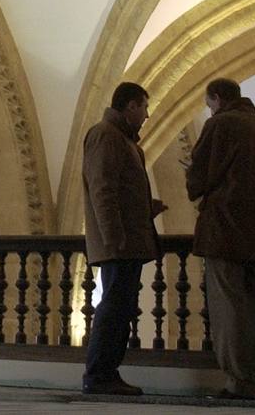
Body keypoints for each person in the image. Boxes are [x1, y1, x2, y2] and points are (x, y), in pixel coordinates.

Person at [187, 77, 255, 401]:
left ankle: (238, 381)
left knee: (228, 307)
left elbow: (197, 177)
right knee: (254, 305)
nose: (210, 110)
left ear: (216, 98)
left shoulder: (222, 125)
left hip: (224, 229)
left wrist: (197, 182)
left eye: (209, 104)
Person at [81, 81, 167, 396]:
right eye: (144, 107)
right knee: (114, 308)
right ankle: (98, 374)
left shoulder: (124, 141)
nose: (146, 115)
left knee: (122, 308)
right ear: (130, 106)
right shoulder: (106, 136)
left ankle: (107, 372)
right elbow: (102, 188)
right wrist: (113, 236)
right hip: (119, 243)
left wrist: (146, 208)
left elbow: (119, 190)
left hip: (128, 241)